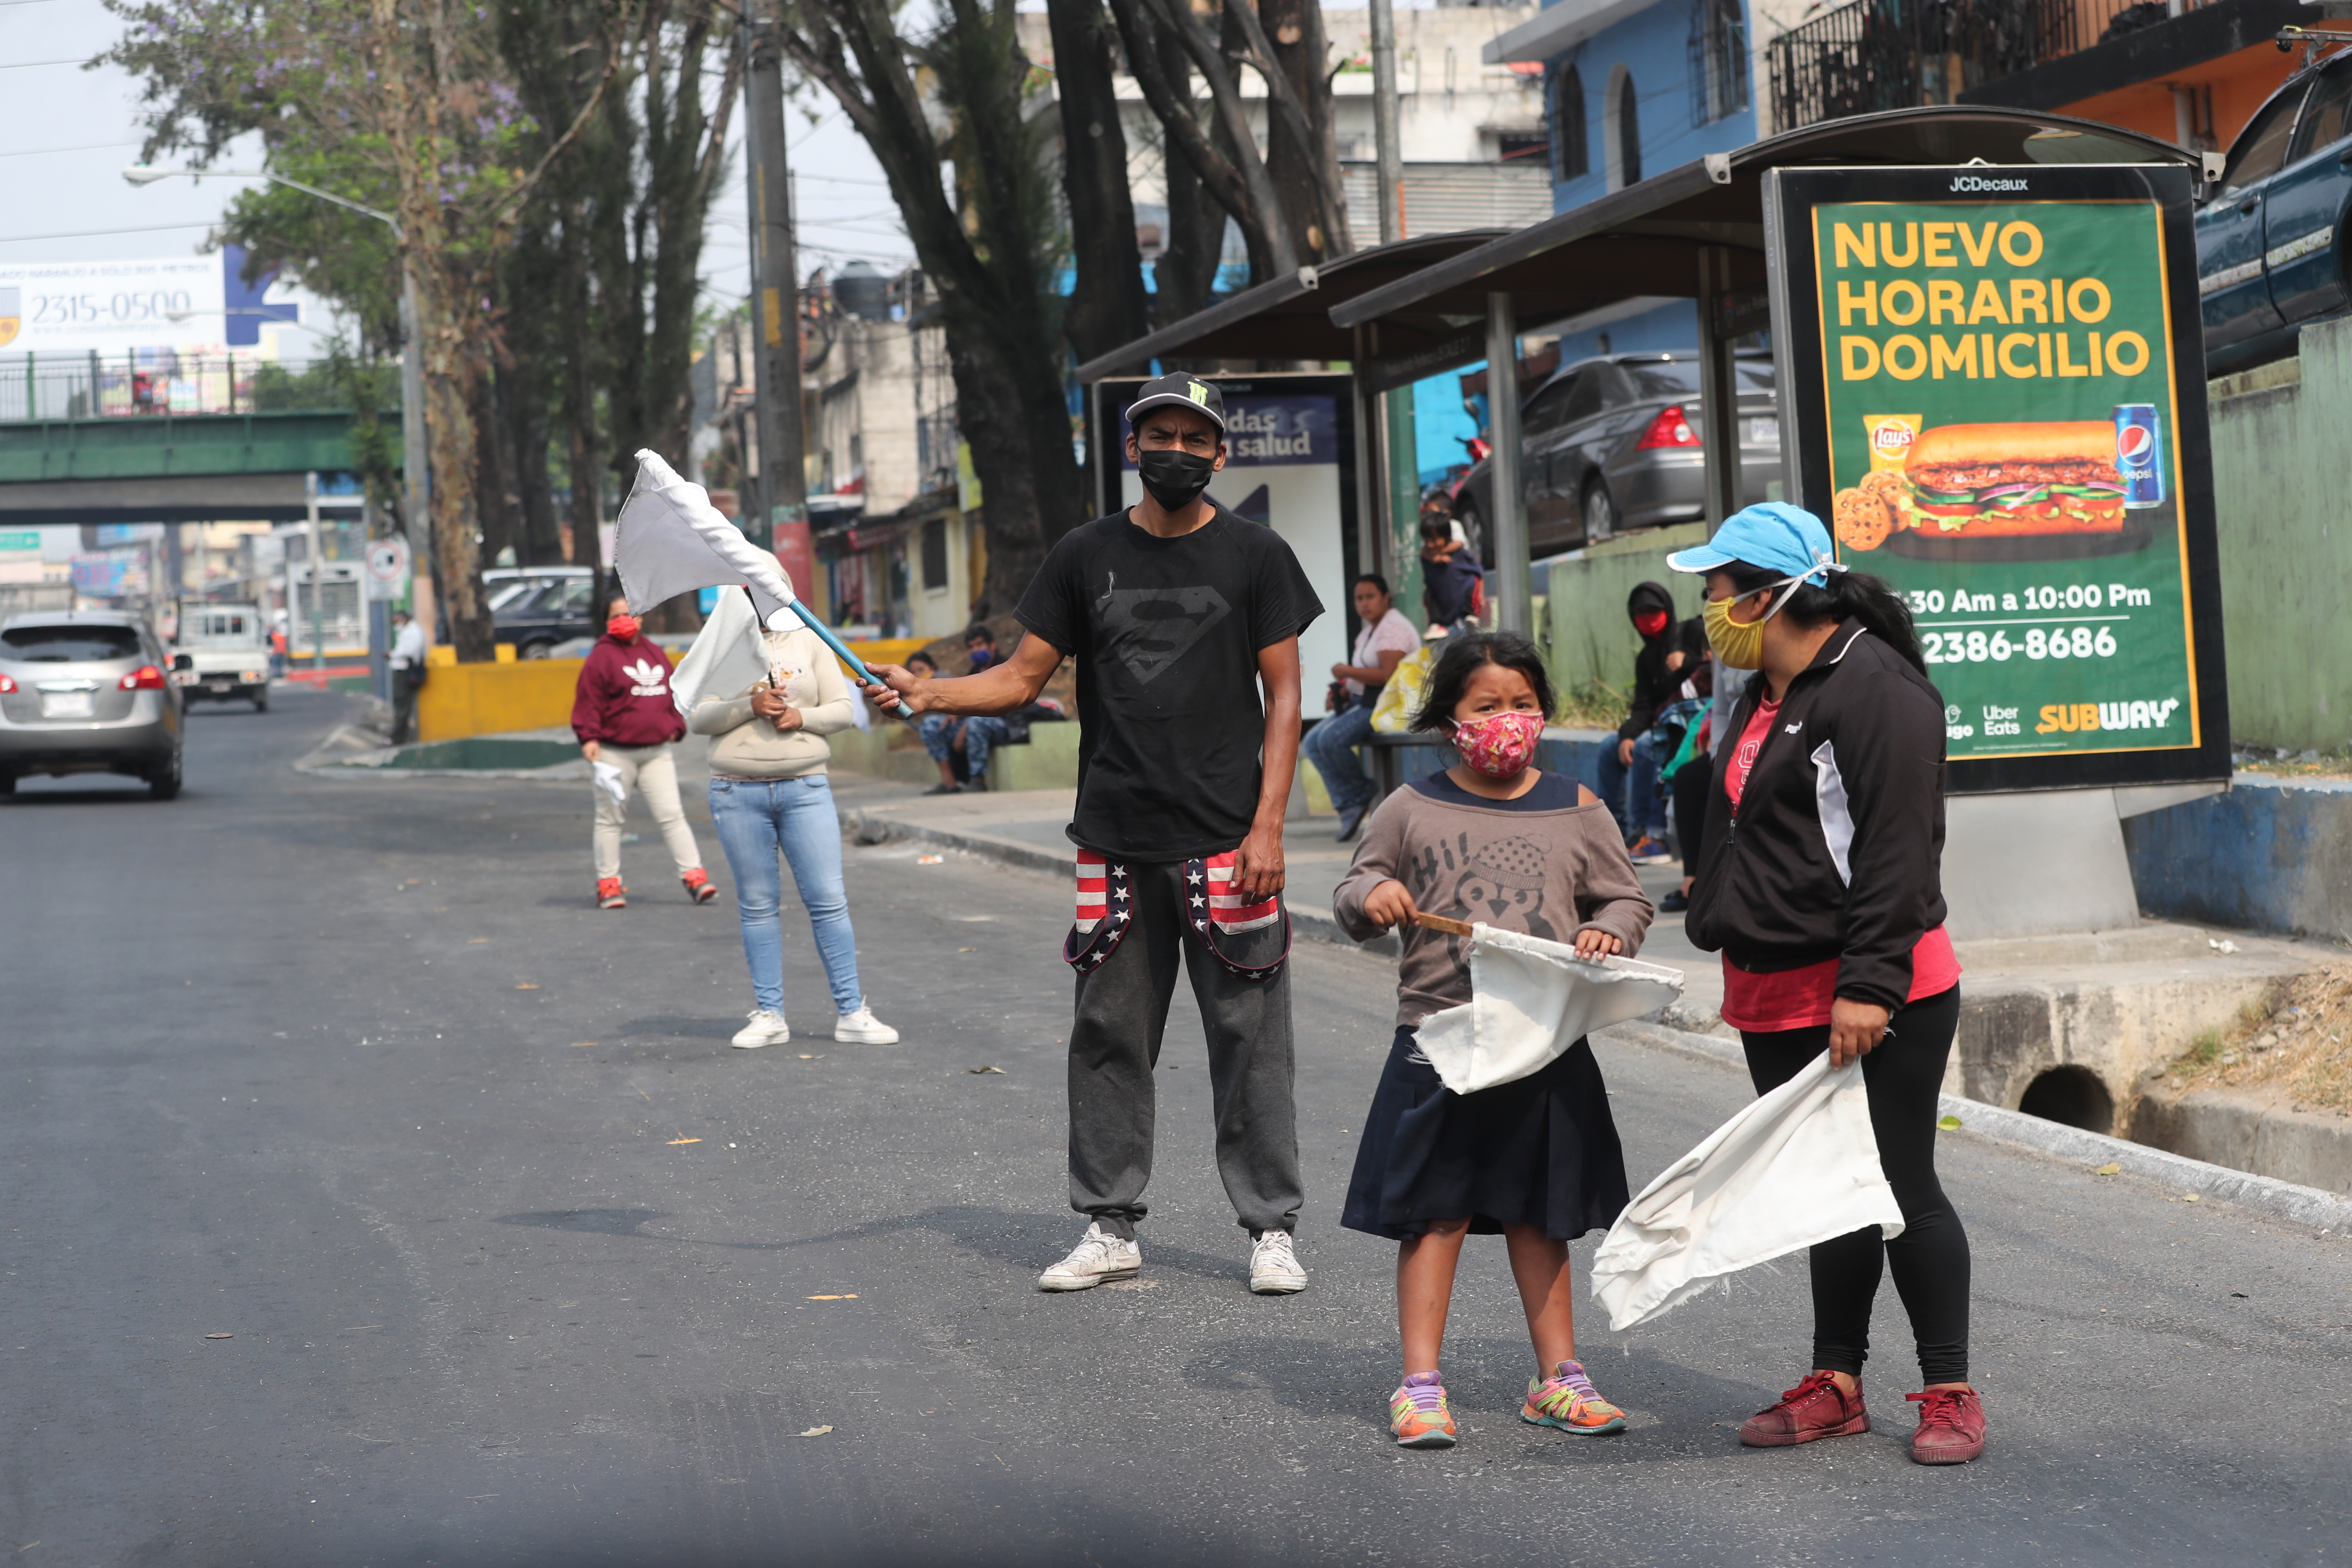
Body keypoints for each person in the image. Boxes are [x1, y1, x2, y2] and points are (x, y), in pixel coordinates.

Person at [857, 371, 1323, 1297]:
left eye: (1197, 441)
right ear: (1132, 448)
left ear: (1220, 454)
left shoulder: (1257, 555)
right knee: (1107, 1036)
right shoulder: (1084, 554)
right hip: (1113, 837)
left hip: (1230, 838)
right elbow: (1023, 678)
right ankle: (1110, 1226)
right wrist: (927, 691)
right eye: (1162, 437)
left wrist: (1269, 827)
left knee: (1250, 1038)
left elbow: (1287, 698)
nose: (1178, 454)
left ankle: (1270, 1228)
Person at [1666, 502, 1981, 1466]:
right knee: (1823, 1190)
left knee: (1894, 1183)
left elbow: (1897, 854)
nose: (1708, 604)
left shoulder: (1873, 689)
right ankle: (1835, 1383)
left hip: (1873, 988)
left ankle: (1948, 1391)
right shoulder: (1763, 687)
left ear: (1773, 593)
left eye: (1718, 586)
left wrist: (1872, 987)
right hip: (1774, 987)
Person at [1331, 631, 1653, 1449]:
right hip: (1439, 1039)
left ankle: (1558, 1378)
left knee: (1540, 1216)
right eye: (1486, 706)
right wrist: (1374, 894)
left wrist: (1608, 934)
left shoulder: (1579, 808)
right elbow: (1353, 886)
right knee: (1432, 1216)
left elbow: (1626, 901)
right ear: (1450, 719)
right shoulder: (1408, 807)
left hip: (1545, 1040)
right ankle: (1419, 1385)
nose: (1506, 720)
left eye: (1520, 703)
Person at [689, 589, 898, 1050]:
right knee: (758, 905)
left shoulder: (811, 639)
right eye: (745, 591)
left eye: (764, 588)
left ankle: (851, 1013)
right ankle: (770, 1015)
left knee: (828, 900)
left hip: (805, 788)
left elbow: (844, 710)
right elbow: (698, 717)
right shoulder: (719, 643)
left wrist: (800, 716)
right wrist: (750, 706)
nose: (756, 599)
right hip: (735, 789)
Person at [572, 594, 718, 911]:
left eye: (630, 612)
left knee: (673, 816)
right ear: (607, 621)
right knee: (610, 821)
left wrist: (676, 727)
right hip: (614, 755)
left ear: (641, 616)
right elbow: (589, 703)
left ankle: (695, 877)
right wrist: (589, 738)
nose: (625, 619)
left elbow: (673, 694)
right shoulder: (601, 658)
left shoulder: (654, 653)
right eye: (617, 615)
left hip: (656, 753)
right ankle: (608, 886)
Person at [1596, 582, 1709, 865]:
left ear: (1667, 610)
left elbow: (1715, 665)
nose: (1648, 618)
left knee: (1648, 745)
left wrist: (1687, 661)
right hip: (1663, 721)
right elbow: (1644, 705)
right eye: (1641, 613)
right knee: (1611, 747)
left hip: (1695, 719)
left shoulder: (1692, 632)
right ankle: (1614, 834)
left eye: (1653, 611)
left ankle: (1650, 835)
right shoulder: (1647, 657)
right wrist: (1627, 735)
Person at [1302, 573, 1420, 842]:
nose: (1364, 603)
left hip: (1385, 705)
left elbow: (1385, 675)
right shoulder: (1370, 629)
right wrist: (1343, 688)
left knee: (1330, 740)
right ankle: (1349, 803)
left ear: (1386, 598)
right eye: (1359, 598)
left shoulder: (1393, 627)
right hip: (1363, 701)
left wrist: (1345, 670)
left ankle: (1358, 793)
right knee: (1312, 741)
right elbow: (1364, 673)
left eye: (1370, 596)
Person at [910, 649, 1013, 795]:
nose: (976, 650)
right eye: (971, 647)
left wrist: (964, 722)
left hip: (1000, 724)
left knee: (976, 723)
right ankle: (949, 783)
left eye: (980, 644)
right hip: (971, 720)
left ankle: (978, 781)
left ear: (992, 645)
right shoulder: (974, 671)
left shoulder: (1005, 666)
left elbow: (996, 704)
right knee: (931, 724)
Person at [1419, 517, 1484, 632]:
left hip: (1463, 605)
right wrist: (1435, 559)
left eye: (1434, 540)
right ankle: (1436, 624)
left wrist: (1481, 596)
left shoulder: (1460, 554)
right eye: (1426, 540)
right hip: (1445, 608)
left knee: (1471, 584)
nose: (1430, 545)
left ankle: (1470, 616)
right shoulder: (1427, 558)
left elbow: (1478, 572)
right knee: (1429, 594)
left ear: (1447, 537)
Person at [387, 608, 426, 745]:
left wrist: (392, 655)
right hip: (400, 670)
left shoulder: (413, 631)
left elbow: (410, 651)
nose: (396, 623)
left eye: (397, 620)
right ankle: (398, 737)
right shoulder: (407, 631)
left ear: (403, 619)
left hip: (405, 672)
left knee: (403, 706)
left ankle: (397, 739)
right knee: (400, 705)